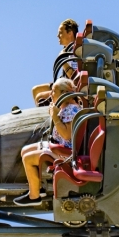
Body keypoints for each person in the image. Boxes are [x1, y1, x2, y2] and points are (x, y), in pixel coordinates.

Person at [14, 78, 84, 206]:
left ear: (64, 94)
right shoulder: (66, 107)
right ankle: (36, 185)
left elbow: (67, 135)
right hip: (57, 145)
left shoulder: (71, 110)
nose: (51, 94)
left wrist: (54, 117)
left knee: (28, 159)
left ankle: (34, 196)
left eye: (53, 91)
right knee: (25, 151)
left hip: (64, 152)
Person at [33, 19, 81, 105]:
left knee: (40, 97)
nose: (57, 36)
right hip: (62, 81)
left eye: (60, 33)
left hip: (69, 88)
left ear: (70, 33)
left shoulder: (75, 52)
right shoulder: (66, 51)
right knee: (35, 90)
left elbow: (75, 78)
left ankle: (53, 114)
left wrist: (63, 62)